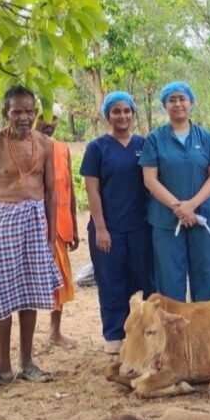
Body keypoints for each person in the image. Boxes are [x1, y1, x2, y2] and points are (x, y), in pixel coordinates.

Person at [0, 85, 62, 390]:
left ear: (36, 113)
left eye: (29, 111)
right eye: (17, 111)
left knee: (32, 292)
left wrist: (51, 237)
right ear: (5, 113)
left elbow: (51, 193)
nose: (24, 117)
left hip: (36, 222)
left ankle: (27, 362)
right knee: (3, 294)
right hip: (3, 221)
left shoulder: (45, 144)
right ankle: (2, 366)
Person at [80, 91, 154, 353]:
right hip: (108, 229)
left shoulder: (144, 145)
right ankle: (113, 335)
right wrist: (101, 228)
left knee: (142, 280)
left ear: (133, 114)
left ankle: (140, 333)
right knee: (111, 282)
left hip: (139, 228)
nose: (122, 116)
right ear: (106, 116)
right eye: (116, 111)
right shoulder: (96, 148)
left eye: (127, 111)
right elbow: (92, 190)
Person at [140, 81, 210, 301]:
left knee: (204, 278)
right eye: (172, 100)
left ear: (191, 103)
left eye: (182, 99)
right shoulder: (155, 139)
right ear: (165, 105)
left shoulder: (204, 137)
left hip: (202, 216)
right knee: (170, 281)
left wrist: (191, 206)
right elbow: (150, 179)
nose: (178, 104)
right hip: (167, 221)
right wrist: (179, 208)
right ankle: (173, 334)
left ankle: (204, 334)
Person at [34, 103, 79, 347]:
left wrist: (74, 227)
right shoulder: (25, 148)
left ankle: (55, 331)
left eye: (54, 120)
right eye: (43, 118)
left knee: (59, 280)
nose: (48, 123)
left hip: (60, 226)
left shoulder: (62, 149)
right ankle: (27, 335)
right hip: (33, 225)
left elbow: (68, 189)